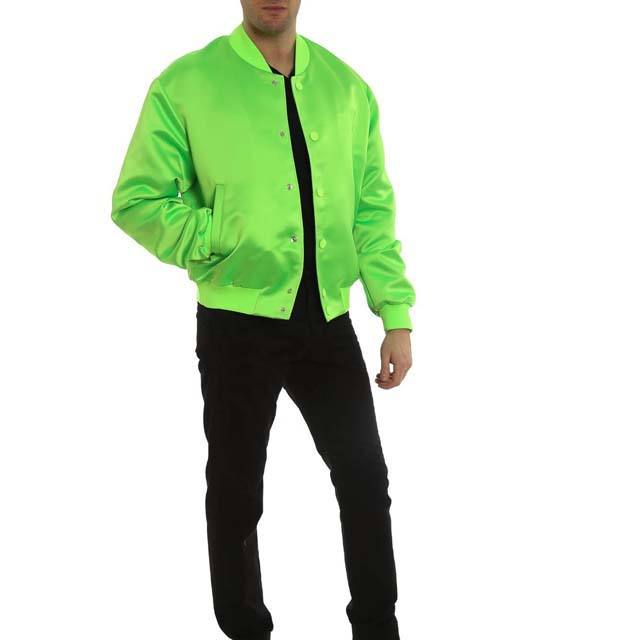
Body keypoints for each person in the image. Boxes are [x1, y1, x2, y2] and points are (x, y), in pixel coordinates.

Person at [111, 2, 416, 639]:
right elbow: (136, 199)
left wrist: (395, 313)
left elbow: (371, 212)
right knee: (236, 489)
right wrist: (219, 236)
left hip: (327, 319)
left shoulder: (347, 89)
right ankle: (246, 630)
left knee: (365, 477)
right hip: (236, 322)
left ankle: (377, 627)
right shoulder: (186, 84)